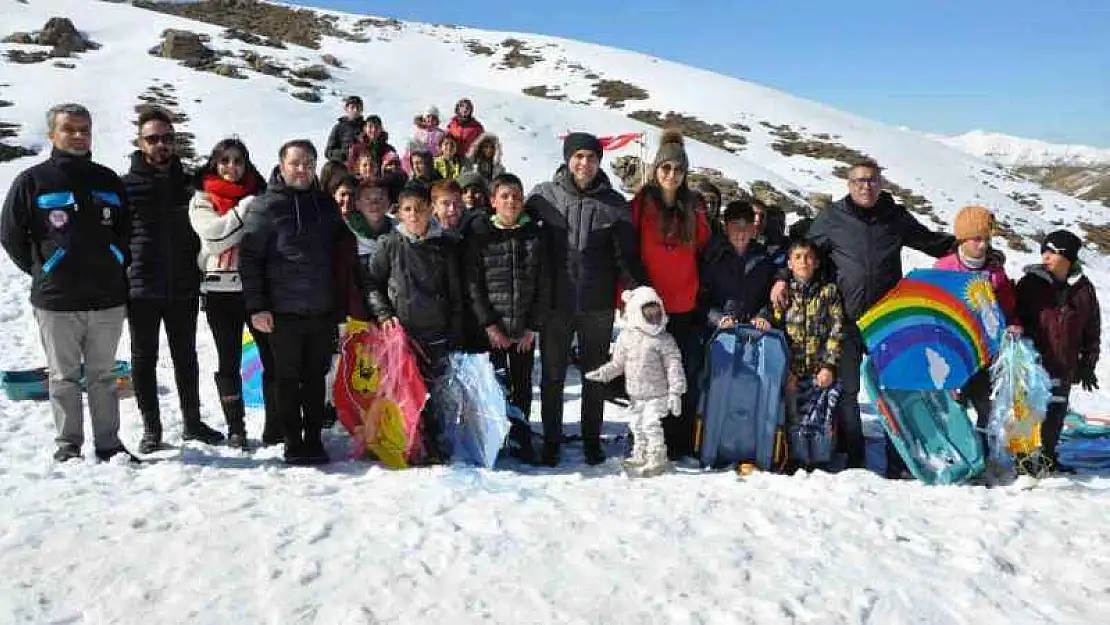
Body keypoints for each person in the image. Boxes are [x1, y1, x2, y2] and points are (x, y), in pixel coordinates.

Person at [774, 158, 954, 471]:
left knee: (893, 389)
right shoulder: (833, 217)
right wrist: (780, 276)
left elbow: (930, 242)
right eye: (859, 180)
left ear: (881, 183)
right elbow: (803, 250)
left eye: (871, 180)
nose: (865, 186)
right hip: (847, 320)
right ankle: (854, 457)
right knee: (848, 392)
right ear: (848, 184)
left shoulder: (894, 217)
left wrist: (969, 250)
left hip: (887, 320)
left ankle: (897, 459)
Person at [0, 103, 135, 462]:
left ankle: (109, 444)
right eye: (69, 129)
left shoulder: (108, 180)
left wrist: (117, 259)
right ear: (52, 134)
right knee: (63, 377)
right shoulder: (32, 181)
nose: (78, 136)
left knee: (104, 376)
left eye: (84, 129)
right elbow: (11, 235)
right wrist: (45, 269)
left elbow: (126, 231)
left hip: (107, 299)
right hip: (57, 301)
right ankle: (68, 445)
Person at [525, 132, 644, 466]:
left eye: (591, 157)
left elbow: (626, 257)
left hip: (597, 305)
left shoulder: (614, 204)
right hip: (555, 304)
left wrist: (640, 291)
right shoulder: (543, 197)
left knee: (596, 376)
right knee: (552, 376)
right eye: (579, 156)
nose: (585, 163)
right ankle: (551, 440)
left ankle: (592, 440)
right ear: (567, 158)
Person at [239, 140, 354, 465]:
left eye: (308, 163)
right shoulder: (265, 206)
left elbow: (341, 250)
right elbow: (249, 259)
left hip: (319, 308)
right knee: (287, 378)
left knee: (316, 377)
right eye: (296, 163)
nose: (302, 169)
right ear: (282, 165)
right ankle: (292, 440)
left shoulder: (324, 204)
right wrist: (256, 306)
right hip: (281, 310)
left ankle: (314, 438)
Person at [122, 107, 221, 453]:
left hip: (183, 283)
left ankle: (192, 422)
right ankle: (152, 428)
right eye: (153, 139)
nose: (161, 144)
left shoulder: (190, 184)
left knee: (186, 356)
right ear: (140, 142)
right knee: (143, 358)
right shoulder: (126, 186)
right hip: (142, 285)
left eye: (167, 138)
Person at [365, 183, 464, 462]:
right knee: (403, 393)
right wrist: (384, 314)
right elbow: (371, 282)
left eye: (419, 209)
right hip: (402, 333)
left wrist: (454, 330)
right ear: (399, 213)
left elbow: (456, 293)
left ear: (430, 210)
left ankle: (432, 445)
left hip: (436, 330)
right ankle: (405, 443)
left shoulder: (445, 245)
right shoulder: (390, 244)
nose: (414, 215)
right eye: (407, 209)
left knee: (433, 393)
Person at [189, 137, 277, 448]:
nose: (231, 167)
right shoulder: (202, 198)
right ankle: (236, 426)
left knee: (272, 359)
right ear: (214, 163)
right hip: (219, 290)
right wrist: (244, 210)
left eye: (238, 160)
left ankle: (274, 426)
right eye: (224, 160)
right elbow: (213, 238)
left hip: (256, 290)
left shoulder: (262, 196)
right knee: (229, 360)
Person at [629, 130, 710, 460]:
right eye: (665, 168)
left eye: (677, 169)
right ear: (655, 169)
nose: (671, 175)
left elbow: (704, 247)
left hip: (683, 305)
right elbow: (628, 249)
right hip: (650, 307)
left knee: (681, 375)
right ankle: (646, 438)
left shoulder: (694, 207)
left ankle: (679, 440)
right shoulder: (641, 204)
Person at [462, 172, 550, 463]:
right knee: (495, 386)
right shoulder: (481, 236)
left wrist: (532, 327)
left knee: (523, 386)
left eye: (516, 196)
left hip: (524, 329)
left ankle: (522, 437)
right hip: (493, 330)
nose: (511, 201)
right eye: (504, 196)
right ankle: (496, 438)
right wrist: (488, 325)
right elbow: (473, 284)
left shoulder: (534, 235)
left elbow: (543, 283)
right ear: (493, 201)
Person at [933, 206, 1021, 454]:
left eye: (986, 239)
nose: (983, 245)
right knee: (953, 406)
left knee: (985, 405)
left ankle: (984, 453)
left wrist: (1013, 323)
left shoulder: (995, 272)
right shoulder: (944, 268)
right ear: (962, 238)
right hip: (952, 352)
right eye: (976, 239)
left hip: (986, 352)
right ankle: (957, 452)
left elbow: (1007, 307)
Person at [1016, 230, 1100, 474]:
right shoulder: (1031, 283)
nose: (1046, 256)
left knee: (1055, 413)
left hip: (1064, 364)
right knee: (1029, 412)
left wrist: (1088, 363)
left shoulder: (1083, 289)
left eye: (1052, 252)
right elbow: (1016, 316)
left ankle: (1049, 457)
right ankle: (1023, 459)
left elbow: (1091, 329)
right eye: (1044, 251)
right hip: (1034, 363)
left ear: (1068, 257)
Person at [585, 286, 685, 477]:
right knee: (637, 424)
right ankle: (640, 452)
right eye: (649, 315)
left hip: (658, 394)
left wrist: (675, 392)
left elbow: (674, 366)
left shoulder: (664, 339)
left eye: (657, 314)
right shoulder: (626, 337)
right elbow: (618, 363)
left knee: (650, 423)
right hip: (636, 393)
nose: (654, 319)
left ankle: (658, 456)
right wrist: (603, 373)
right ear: (635, 313)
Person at [770, 239, 844, 469]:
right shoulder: (782, 293)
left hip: (819, 370)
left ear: (817, 262)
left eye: (809, 257)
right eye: (798, 257)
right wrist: (786, 371)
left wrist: (829, 366)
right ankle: (795, 460)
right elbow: (777, 333)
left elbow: (837, 328)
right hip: (792, 372)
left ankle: (820, 460)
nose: (804, 262)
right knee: (794, 420)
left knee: (821, 419)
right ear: (789, 263)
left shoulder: (828, 292)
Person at [700, 201, 775, 332]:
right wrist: (718, 318)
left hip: (753, 331)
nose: (741, 234)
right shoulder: (712, 257)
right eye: (735, 227)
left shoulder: (764, 258)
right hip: (717, 332)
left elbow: (769, 297)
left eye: (746, 227)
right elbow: (700, 300)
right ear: (726, 228)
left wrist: (763, 316)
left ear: (753, 229)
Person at [324, 95, 364, 163]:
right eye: (352, 107)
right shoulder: (339, 128)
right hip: (343, 167)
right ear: (346, 109)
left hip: (364, 167)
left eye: (358, 107)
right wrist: (346, 154)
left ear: (362, 109)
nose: (355, 110)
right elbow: (328, 152)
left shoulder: (368, 127)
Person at [404, 105, 446, 170]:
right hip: (421, 163)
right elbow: (410, 151)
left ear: (437, 120)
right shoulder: (417, 133)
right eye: (428, 116)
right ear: (424, 118)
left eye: (434, 117)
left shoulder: (441, 134)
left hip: (437, 163)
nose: (431, 119)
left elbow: (444, 149)